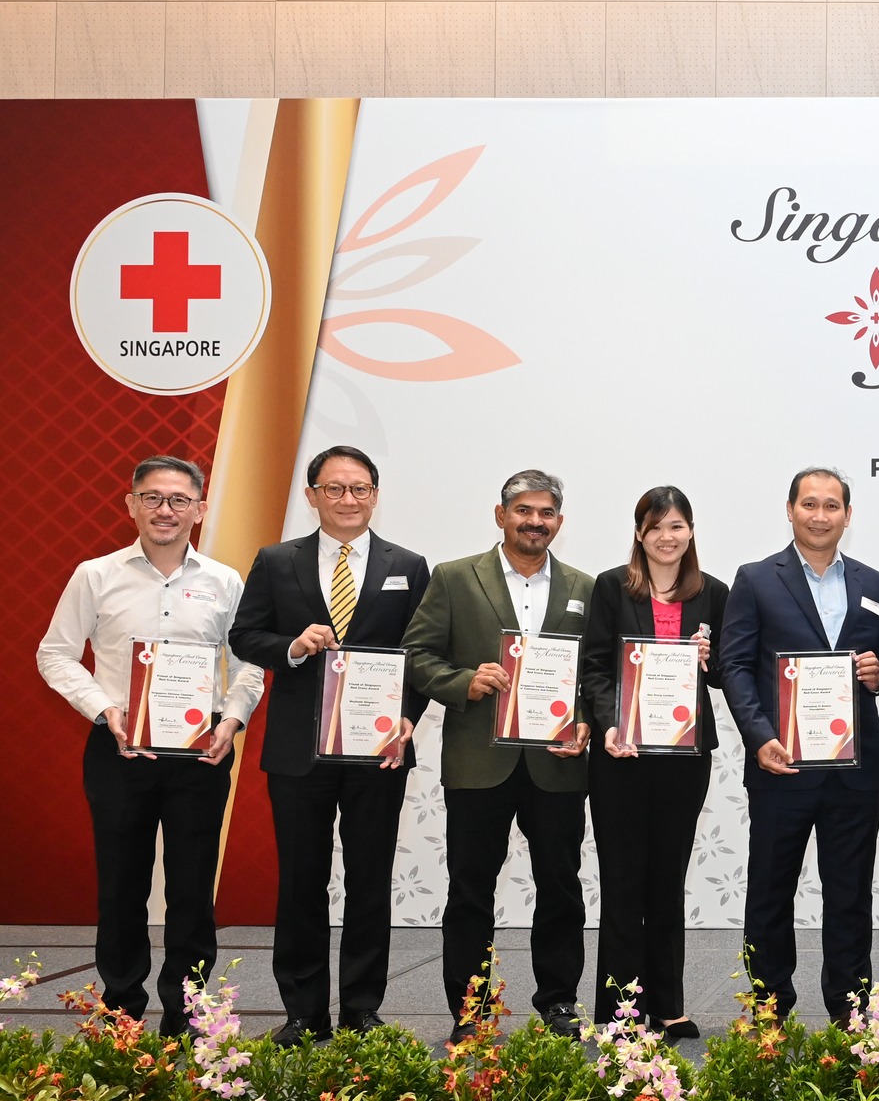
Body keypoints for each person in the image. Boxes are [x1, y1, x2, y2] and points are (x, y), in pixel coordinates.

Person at [36, 455, 264, 1035]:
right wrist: (103, 708)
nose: (167, 511)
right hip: (118, 751)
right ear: (131, 504)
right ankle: (121, 1008)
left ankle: (185, 1010)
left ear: (200, 509)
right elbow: (54, 653)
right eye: (154, 498)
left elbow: (250, 666)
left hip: (201, 753)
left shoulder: (224, 581)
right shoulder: (95, 575)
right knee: (122, 883)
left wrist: (231, 722)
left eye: (180, 500)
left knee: (191, 887)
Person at [229, 445, 431, 1045]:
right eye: (335, 488)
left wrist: (409, 718)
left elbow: (421, 654)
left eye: (361, 488)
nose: (349, 499)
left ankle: (364, 1007)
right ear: (312, 495)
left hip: (378, 749)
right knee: (301, 880)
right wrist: (292, 646)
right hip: (299, 751)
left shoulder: (409, 564)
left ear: (375, 494)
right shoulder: (275, 560)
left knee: (371, 879)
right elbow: (245, 635)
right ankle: (302, 1010)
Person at [403, 469, 593, 1042]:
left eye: (546, 513)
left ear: (559, 521)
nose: (535, 522)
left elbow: (596, 673)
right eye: (524, 511)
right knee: (469, 889)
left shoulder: (586, 587)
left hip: (556, 762)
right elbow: (416, 654)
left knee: (561, 886)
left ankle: (558, 1001)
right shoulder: (456, 578)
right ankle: (470, 1010)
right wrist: (464, 681)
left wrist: (586, 718)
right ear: (501, 514)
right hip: (479, 760)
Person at [720, 468, 879, 1023]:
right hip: (782, 763)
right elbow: (735, 664)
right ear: (791, 509)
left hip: (854, 768)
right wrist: (760, 735)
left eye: (832, 506)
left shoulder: (874, 583)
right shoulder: (755, 578)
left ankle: (851, 1010)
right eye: (810, 505)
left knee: (850, 894)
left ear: (848, 515)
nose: (820, 516)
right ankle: (770, 1007)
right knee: (771, 891)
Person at [579, 486, 728, 1043]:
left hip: (685, 758)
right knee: (622, 881)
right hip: (622, 753)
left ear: (691, 532)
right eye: (656, 526)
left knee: (667, 880)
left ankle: (668, 1006)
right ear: (640, 532)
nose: (668, 537)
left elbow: (723, 675)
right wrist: (609, 722)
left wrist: (711, 664)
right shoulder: (612, 587)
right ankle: (619, 1010)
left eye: (678, 526)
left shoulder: (714, 592)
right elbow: (593, 665)